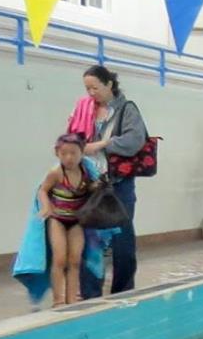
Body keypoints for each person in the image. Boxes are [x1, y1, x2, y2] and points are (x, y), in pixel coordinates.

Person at [80, 65, 148, 295]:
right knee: (90, 240)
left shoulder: (127, 110)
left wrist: (103, 144)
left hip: (119, 184)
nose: (91, 93)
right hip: (92, 184)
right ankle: (90, 293)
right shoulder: (85, 111)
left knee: (122, 240)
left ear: (109, 84)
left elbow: (135, 139)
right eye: (87, 89)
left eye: (95, 88)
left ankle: (123, 290)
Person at [39, 133, 92, 307]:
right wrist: (46, 206)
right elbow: (42, 190)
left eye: (73, 153)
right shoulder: (56, 173)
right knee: (60, 259)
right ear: (57, 153)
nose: (69, 158)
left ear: (82, 152)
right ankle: (58, 299)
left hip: (76, 222)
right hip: (58, 220)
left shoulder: (87, 171)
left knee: (75, 260)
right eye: (64, 154)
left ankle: (71, 298)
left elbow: (94, 192)